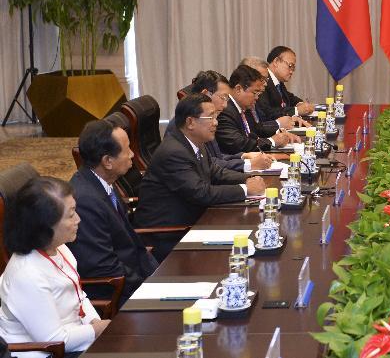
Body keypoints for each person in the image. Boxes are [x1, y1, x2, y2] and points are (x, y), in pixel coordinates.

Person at [136, 94, 266, 258]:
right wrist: (245, 189)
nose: (216, 122)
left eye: (216, 116)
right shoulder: (174, 152)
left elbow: (215, 172)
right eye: (210, 117)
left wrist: (248, 178)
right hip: (168, 235)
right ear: (190, 122)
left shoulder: (193, 142)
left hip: (195, 220)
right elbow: (201, 193)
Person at [0, 177, 110, 355]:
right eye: (71, 214)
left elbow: (78, 295)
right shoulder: (27, 274)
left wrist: (94, 322)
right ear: (45, 226)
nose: (79, 219)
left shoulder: (60, 248)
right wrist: (98, 330)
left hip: (76, 339)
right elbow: (53, 340)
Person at [67, 120, 159, 304]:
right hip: (116, 295)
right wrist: (149, 292)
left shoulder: (103, 182)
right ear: (107, 161)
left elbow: (131, 244)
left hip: (135, 277)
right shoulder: (85, 201)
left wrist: (159, 277)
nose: (133, 154)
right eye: (127, 150)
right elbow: (104, 267)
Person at [167, 70, 273, 171]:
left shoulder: (207, 119)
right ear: (206, 94)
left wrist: (243, 156)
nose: (225, 105)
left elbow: (215, 156)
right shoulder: (187, 123)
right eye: (223, 97)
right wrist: (248, 164)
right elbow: (209, 165)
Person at [215, 65, 297, 155]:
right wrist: (272, 141)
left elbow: (256, 130)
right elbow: (239, 144)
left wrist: (279, 133)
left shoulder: (243, 107)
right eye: (254, 93)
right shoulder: (224, 111)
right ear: (238, 89)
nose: (257, 97)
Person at [255, 46, 315, 121]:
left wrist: (300, 104)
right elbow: (267, 112)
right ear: (276, 62)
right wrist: (296, 111)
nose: (291, 71)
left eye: (293, 68)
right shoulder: (262, 81)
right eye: (290, 66)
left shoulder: (278, 82)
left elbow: (289, 97)